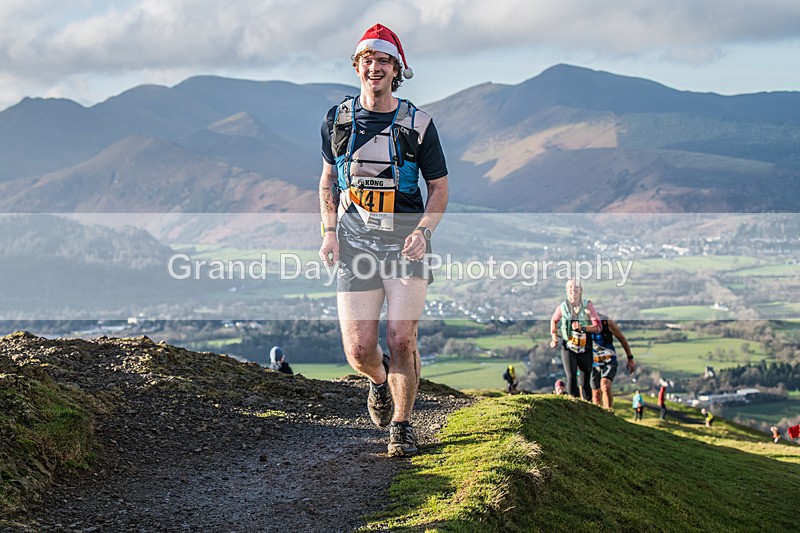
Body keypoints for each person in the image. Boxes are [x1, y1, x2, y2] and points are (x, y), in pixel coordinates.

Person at [318, 24, 449, 458]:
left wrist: (423, 231)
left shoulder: (418, 125)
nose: (374, 68)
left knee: (401, 337)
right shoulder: (336, 121)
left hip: (404, 246)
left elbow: (440, 188)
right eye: (367, 61)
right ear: (357, 67)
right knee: (358, 349)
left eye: (384, 62)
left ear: (397, 70)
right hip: (355, 244)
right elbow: (327, 184)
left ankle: (403, 425)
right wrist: (329, 232)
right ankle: (379, 383)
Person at [549, 279, 602, 400]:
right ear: (566, 291)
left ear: (581, 290)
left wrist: (582, 327)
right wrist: (554, 337)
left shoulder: (588, 305)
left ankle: (589, 409)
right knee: (571, 377)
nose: (573, 289)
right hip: (568, 347)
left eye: (576, 287)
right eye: (570, 287)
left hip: (585, 348)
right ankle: (573, 405)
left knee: (584, 382)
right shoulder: (562, 308)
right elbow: (554, 320)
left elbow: (598, 327)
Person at [589, 314, 636, 409]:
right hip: (593, 363)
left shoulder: (607, 323)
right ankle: (597, 417)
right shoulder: (581, 324)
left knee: (605, 386)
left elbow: (622, 339)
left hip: (609, 360)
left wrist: (630, 358)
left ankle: (609, 412)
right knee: (596, 393)